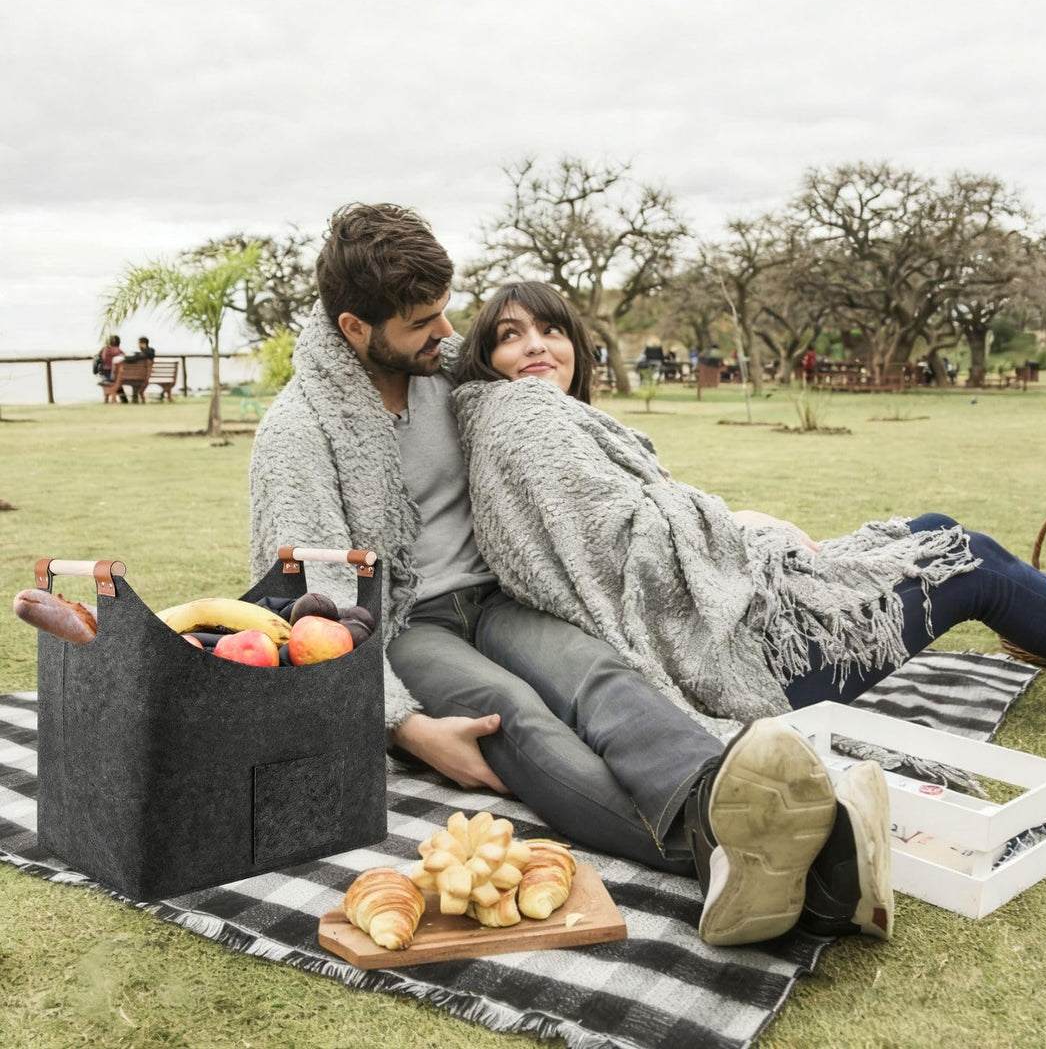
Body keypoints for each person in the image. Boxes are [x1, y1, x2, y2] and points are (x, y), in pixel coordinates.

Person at [249, 203, 893, 948]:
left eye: (444, 311)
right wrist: (407, 725)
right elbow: (310, 609)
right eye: (423, 321)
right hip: (404, 624)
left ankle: (730, 797)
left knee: (599, 674)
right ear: (356, 329)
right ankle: (746, 849)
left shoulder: (448, 373)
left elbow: (554, 422)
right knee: (511, 711)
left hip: (497, 594)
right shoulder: (297, 432)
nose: (446, 333)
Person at [452, 281, 1046, 720]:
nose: (535, 344)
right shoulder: (524, 418)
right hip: (740, 664)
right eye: (511, 335)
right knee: (971, 559)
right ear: (486, 357)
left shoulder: (551, 418)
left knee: (936, 528)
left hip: (736, 620)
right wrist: (744, 525)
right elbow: (624, 550)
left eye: (550, 329)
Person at [110, 336, 156, 403]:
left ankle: (124, 400)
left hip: (136, 377)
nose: (138, 345)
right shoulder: (149, 353)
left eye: (139, 344)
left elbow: (134, 359)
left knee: (117, 378)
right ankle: (132, 400)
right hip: (143, 376)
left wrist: (124, 358)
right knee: (135, 383)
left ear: (143, 343)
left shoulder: (144, 354)